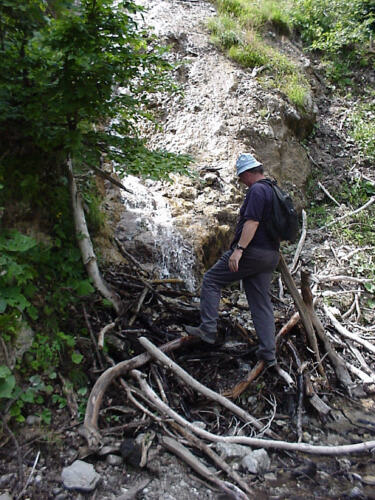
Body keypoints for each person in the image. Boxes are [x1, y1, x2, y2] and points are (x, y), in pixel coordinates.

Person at [185, 153, 280, 368]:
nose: (241, 182)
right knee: (260, 303)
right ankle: (268, 354)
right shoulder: (274, 189)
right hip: (270, 254)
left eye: (241, 178)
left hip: (252, 252)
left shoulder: (256, 190)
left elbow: (252, 222)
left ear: (248, 173)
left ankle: (208, 330)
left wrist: (239, 250)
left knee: (211, 280)